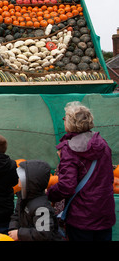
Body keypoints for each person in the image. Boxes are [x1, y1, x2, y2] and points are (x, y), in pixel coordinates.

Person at [47, 101, 115, 241]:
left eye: (65, 118)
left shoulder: (69, 149)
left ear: (71, 123)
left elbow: (66, 186)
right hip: (104, 212)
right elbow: (109, 178)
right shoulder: (103, 144)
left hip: (81, 217)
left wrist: (49, 194)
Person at [8, 160, 63, 241]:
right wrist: (13, 228)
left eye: (21, 177)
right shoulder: (23, 197)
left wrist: (19, 234)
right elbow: (16, 215)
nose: (18, 179)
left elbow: (43, 234)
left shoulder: (42, 208)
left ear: (30, 182)